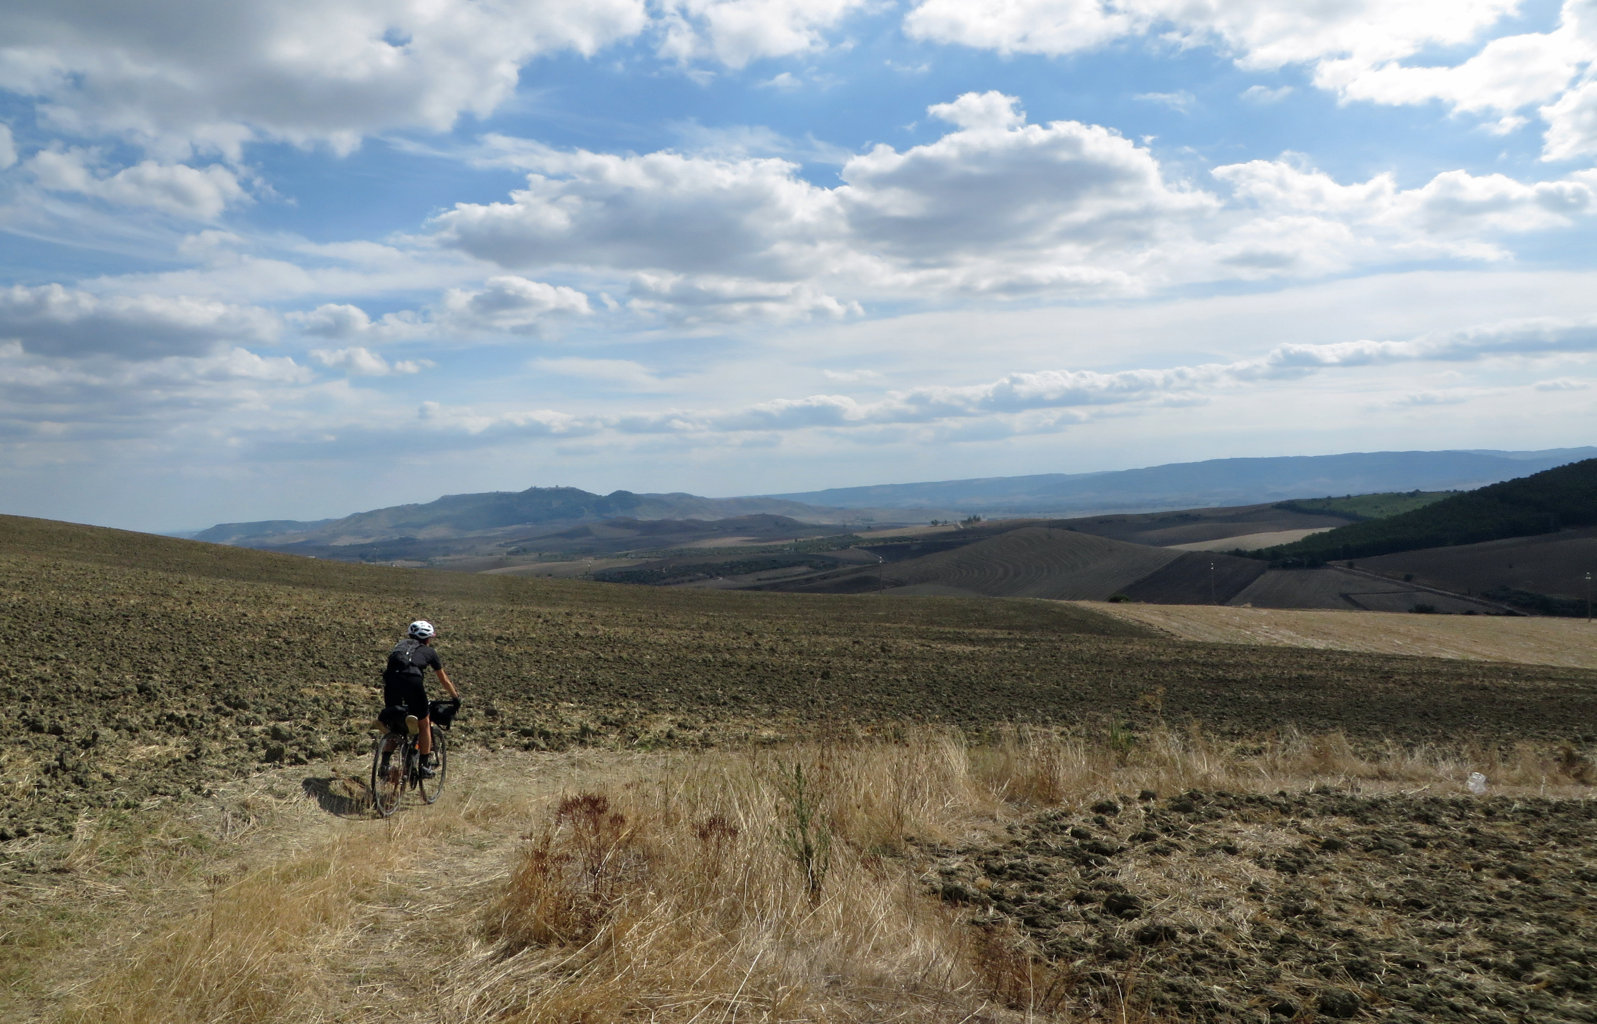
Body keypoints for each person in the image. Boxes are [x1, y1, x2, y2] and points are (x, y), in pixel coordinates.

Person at [382, 619, 459, 777]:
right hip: (413, 681)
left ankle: (384, 764)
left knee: (395, 724)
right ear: (428, 639)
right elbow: (444, 679)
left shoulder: (399, 646)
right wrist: (455, 698)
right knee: (424, 723)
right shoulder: (429, 652)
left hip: (391, 681)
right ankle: (424, 765)